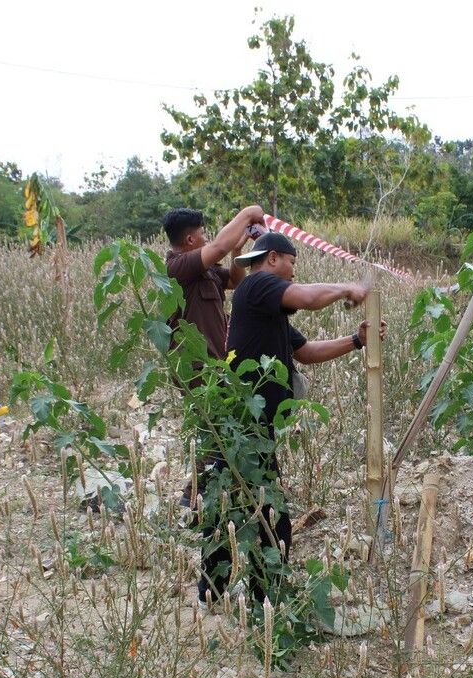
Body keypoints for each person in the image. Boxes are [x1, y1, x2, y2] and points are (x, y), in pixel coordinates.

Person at [196, 232, 383, 602]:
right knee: (266, 512)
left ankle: (224, 593)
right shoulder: (258, 284)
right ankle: (262, 598)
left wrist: (356, 341)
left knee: (234, 506)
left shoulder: (269, 309)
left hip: (250, 426)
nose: (294, 271)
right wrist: (348, 288)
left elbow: (305, 351)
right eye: (292, 262)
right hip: (242, 424)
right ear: (272, 258)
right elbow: (310, 298)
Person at [162, 205, 266, 360]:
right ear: (190, 239)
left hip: (216, 362)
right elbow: (219, 248)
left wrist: (236, 250)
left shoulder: (205, 270)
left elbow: (235, 281)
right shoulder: (176, 267)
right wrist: (248, 213)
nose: (206, 239)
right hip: (194, 368)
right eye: (203, 234)